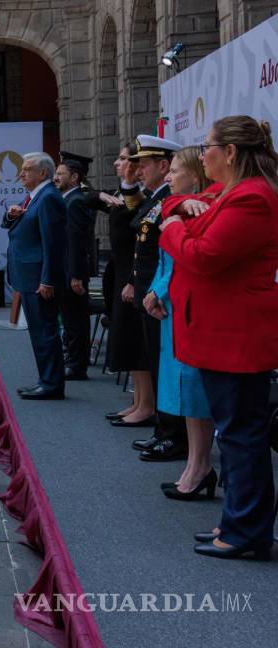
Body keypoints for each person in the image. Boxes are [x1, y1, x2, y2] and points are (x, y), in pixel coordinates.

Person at [160, 116, 278, 560]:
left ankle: (247, 532)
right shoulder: (227, 194)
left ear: (230, 153)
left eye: (207, 145)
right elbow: (174, 204)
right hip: (221, 334)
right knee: (236, 433)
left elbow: (204, 256)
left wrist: (174, 229)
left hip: (236, 337)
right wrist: (177, 214)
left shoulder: (251, 198)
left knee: (241, 435)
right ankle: (240, 523)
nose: (201, 152)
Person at [143, 146, 217, 500]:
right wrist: (155, 290)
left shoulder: (200, 208)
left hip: (183, 306)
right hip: (171, 303)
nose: (169, 177)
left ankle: (200, 465)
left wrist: (158, 291)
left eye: (175, 171)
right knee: (185, 391)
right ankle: (195, 464)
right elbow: (164, 259)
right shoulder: (179, 206)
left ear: (195, 175)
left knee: (194, 389)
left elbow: (181, 261)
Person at [125, 135, 187, 462]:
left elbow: (168, 255)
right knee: (156, 362)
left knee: (166, 367)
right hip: (152, 292)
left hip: (161, 295)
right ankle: (164, 430)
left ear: (164, 166)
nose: (137, 171)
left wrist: (153, 290)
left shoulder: (172, 201)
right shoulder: (156, 199)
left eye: (143, 165)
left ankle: (173, 434)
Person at [1, 152, 67, 400]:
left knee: (45, 332)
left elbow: (53, 244)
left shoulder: (48, 197)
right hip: (28, 276)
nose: (21, 174)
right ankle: (45, 380)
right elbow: (12, 226)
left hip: (39, 279)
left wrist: (47, 279)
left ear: (42, 173)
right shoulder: (34, 197)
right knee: (38, 332)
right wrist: (11, 214)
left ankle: (51, 384)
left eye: (27, 169)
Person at [99, 145, 156, 428]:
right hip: (120, 271)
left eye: (125, 158)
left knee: (136, 343)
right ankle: (138, 401)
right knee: (127, 341)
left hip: (132, 276)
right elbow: (85, 196)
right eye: (122, 158)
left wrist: (133, 280)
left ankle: (146, 405)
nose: (119, 163)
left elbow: (141, 241)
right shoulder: (121, 193)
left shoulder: (139, 195)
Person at [54, 152, 96, 380]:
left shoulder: (77, 201)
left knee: (76, 320)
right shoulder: (67, 199)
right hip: (65, 270)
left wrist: (76, 276)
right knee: (69, 319)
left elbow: (77, 242)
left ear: (75, 176)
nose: (56, 177)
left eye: (61, 174)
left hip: (73, 272)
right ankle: (71, 358)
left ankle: (77, 365)